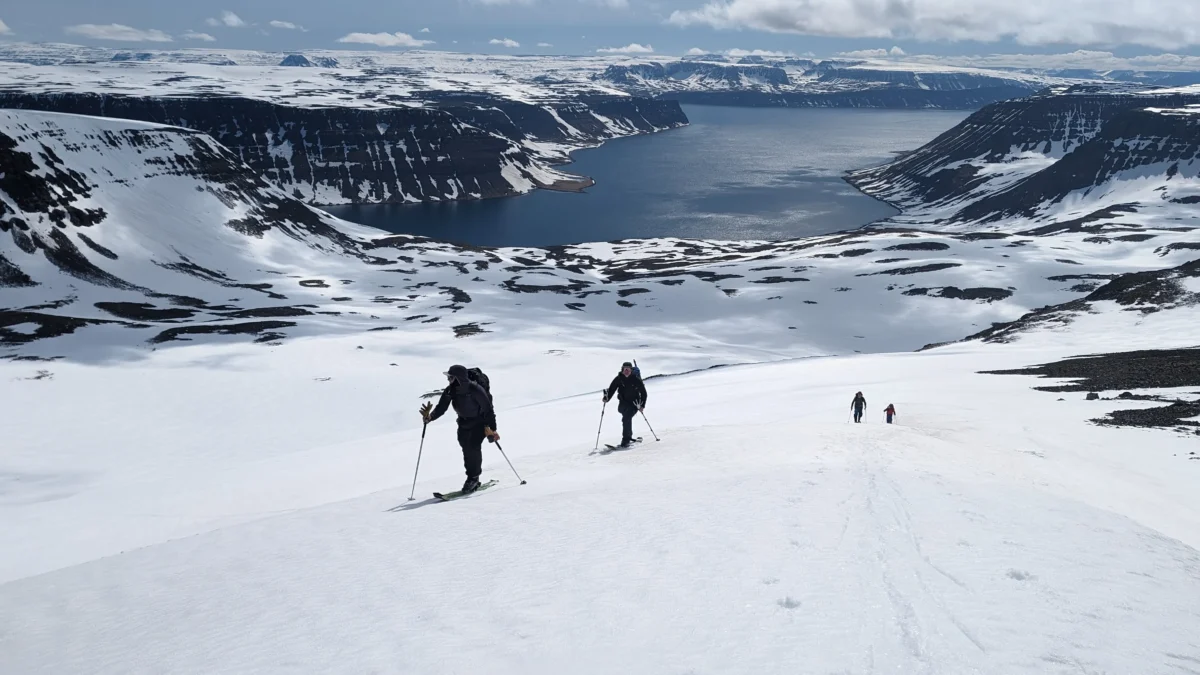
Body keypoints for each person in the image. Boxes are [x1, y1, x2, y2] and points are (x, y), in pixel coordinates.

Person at [420, 365, 498, 494]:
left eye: (450, 377)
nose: (448, 380)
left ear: (459, 378)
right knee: (465, 447)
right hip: (463, 423)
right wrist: (430, 418)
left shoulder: (475, 389)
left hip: (479, 422)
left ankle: (473, 478)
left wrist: (492, 429)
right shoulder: (450, 390)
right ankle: (472, 477)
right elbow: (441, 407)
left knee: (472, 448)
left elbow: (488, 409)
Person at [604, 361, 648, 447]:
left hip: (635, 404)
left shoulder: (636, 379)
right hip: (623, 404)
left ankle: (626, 439)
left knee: (626, 418)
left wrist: (642, 405)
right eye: (625, 369)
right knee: (625, 417)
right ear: (622, 370)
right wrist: (607, 398)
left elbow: (644, 393)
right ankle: (629, 435)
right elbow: (612, 389)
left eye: (628, 369)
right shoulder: (619, 379)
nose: (626, 371)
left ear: (631, 370)